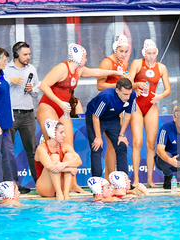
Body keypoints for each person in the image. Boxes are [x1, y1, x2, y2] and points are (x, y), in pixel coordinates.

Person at [37, 43, 122, 193]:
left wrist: (116, 72)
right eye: (85, 57)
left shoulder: (78, 70)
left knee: (68, 146)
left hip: (63, 108)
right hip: (48, 107)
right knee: (54, 145)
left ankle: (72, 184)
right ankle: (53, 185)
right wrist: (60, 102)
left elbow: (95, 72)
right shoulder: (62, 68)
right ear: (77, 57)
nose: (87, 60)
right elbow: (43, 85)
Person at [0, 46, 30, 197]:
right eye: (3, 60)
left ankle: (12, 184)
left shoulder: (1, 75)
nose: (6, 62)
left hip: (6, 122)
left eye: (6, 60)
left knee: (9, 153)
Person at [129, 39, 171, 187]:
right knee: (137, 142)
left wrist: (159, 96)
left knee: (151, 144)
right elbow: (127, 82)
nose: (151, 56)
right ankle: (135, 180)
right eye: (149, 53)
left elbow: (167, 89)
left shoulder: (162, 67)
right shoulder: (137, 64)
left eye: (154, 53)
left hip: (152, 105)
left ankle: (150, 180)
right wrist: (136, 85)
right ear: (144, 53)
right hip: (137, 105)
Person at [85, 78, 136, 179]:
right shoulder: (106, 96)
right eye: (125, 94)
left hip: (113, 118)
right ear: (117, 90)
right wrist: (98, 137)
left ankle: (123, 181)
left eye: (129, 94)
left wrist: (122, 134)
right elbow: (96, 116)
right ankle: (97, 181)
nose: (128, 97)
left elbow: (128, 114)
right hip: (95, 117)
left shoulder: (132, 95)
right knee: (96, 147)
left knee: (121, 145)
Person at [4, 41, 40, 182]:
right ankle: (9, 183)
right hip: (11, 114)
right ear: (16, 54)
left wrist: (33, 90)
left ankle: (39, 182)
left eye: (29, 54)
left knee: (32, 150)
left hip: (28, 114)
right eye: (25, 54)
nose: (28, 57)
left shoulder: (31, 69)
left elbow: (37, 91)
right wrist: (10, 81)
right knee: (8, 150)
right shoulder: (6, 69)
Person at [97, 34, 130, 181]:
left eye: (126, 51)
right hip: (105, 107)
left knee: (115, 145)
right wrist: (117, 86)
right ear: (115, 49)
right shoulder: (107, 62)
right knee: (110, 145)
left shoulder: (124, 64)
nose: (124, 54)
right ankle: (110, 178)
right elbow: (99, 86)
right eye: (121, 51)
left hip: (118, 107)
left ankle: (109, 179)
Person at [35, 119, 82, 200]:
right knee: (54, 157)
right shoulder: (42, 148)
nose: (64, 135)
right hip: (45, 188)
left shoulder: (65, 146)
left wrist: (64, 164)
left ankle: (66, 194)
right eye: (61, 132)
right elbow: (50, 166)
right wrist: (70, 169)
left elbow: (78, 161)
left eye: (64, 132)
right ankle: (59, 194)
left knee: (69, 156)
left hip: (61, 185)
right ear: (52, 134)